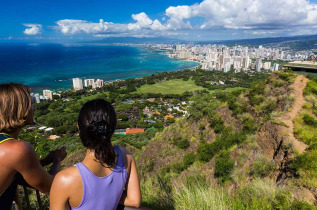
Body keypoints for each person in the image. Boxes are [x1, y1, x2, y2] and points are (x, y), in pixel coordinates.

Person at [50, 99, 141, 210]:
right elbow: (134, 201)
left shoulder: (65, 179)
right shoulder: (125, 156)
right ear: (113, 127)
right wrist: (110, 193)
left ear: (79, 128)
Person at [0, 83, 67, 210]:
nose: (33, 108)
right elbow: (50, 187)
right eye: (30, 104)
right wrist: (57, 159)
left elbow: (18, 171)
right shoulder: (17, 149)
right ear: (20, 109)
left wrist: (45, 161)